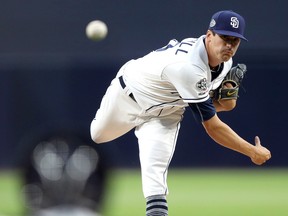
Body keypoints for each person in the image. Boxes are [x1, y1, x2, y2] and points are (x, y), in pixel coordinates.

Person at [90, 10, 271, 216]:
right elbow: (212, 126)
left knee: (155, 178)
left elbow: (219, 105)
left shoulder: (225, 64)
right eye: (225, 38)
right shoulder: (188, 67)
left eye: (235, 41)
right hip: (128, 96)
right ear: (209, 35)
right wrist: (251, 151)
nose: (229, 45)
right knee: (97, 135)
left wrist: (226, 96)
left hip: (165, 113)